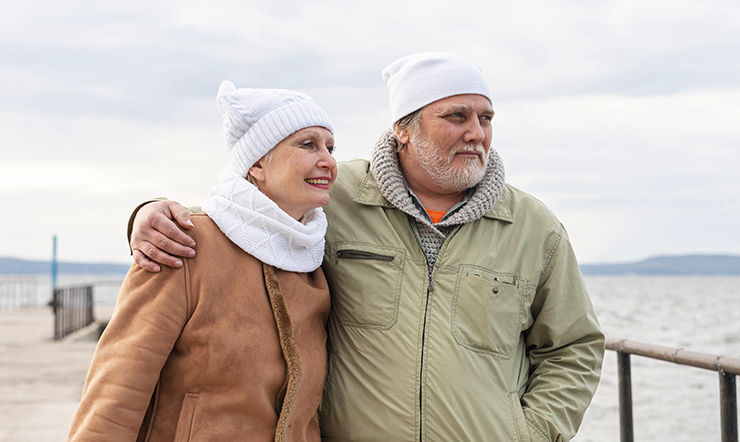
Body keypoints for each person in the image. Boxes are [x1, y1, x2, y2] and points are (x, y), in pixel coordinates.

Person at [129, 53, 605, 442]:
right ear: (403, 128)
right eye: (456, 116)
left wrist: (532, 433)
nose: (476, 133)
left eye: (485, 118)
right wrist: (149, 214)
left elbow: (573, 347)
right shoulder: (332, 197)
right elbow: (243, 214)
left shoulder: (534, 227)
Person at [68, 81, 338, 441]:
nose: (328, 161)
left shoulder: (312, 263)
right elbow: (117, 387)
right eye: (308, 144)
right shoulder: (185, 243)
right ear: (257, 163)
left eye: (330, 147)